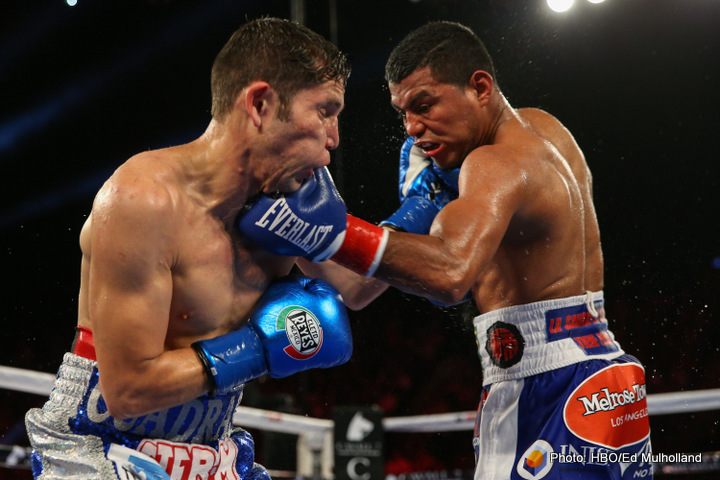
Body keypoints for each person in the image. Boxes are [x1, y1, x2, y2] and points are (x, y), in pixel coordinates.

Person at [239, 21, 653, 480]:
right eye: (403, 114)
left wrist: (332, 232)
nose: (414, 129)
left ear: (480, 87)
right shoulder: (543, 129)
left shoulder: (491, 164)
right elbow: (356, 289)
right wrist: (301, 231)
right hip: (605, 382)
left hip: (545, 388)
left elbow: (451, 276)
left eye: (424, 105)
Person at [24, 18, 354, 480]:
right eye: (325, 111)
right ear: (260, 104)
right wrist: (258, 346)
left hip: (211, 447)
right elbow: (127, 391)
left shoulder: (288, 206)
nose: (334, 139)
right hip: (101, 443)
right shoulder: (145, 200)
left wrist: (422, 205)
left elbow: (356, 291)